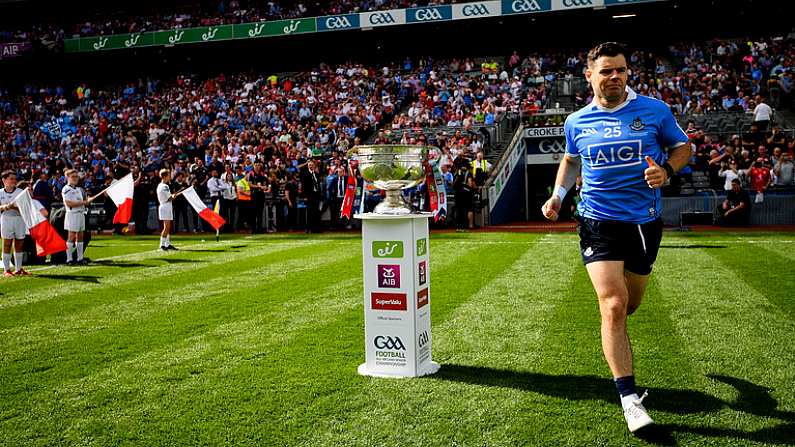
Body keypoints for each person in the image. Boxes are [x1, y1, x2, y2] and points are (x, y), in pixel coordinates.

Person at [541, 42, 692, 433]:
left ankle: (619, 338)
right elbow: (572, 160)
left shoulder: (654, 111)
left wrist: (667, 171)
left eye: (621, 70)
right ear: (589, 75)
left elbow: (682, 147)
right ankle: (629, 398)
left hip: (644, 222)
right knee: (612, 304)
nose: (615, 77)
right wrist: (558, 196)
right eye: (606, 71)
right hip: (597, 220)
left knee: (630, 304)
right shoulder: (576, 121)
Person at [62, 169, 94, 265]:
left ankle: (80, 258)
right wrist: (84, 202)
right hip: (73, 214)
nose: (75, 178)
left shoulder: (78, 189)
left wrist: (88, 201)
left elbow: (82, 202)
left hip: (80, 214)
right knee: (71, 236)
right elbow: (69, 203)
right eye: (73, 176)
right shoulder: (66, 189)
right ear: (68, 177)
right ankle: (69, 259)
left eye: (76, 176)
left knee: (80, 236)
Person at [0, 171, 29, 277]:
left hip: (19, 219)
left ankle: (18, 268)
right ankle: (6, 270)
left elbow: (26, 208)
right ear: (4, 180)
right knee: (6, 244)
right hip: (6, 219)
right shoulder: (0, 193)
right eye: (11, 178)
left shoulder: (21, 192)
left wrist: (14, 207)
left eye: (14, 179)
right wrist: (5, 207)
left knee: (19, 244)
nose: (13, 181)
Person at [157, 169, 178, 251]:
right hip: (165, 205)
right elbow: (169, 198)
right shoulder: (165, 186)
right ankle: (162, 245)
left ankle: (167, 244)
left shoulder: (161, 185)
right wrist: (174, 196)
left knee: (168, 227)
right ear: (165, 176)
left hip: (166, 205)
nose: (170, 177)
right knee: (167, 227)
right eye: (169, 175)